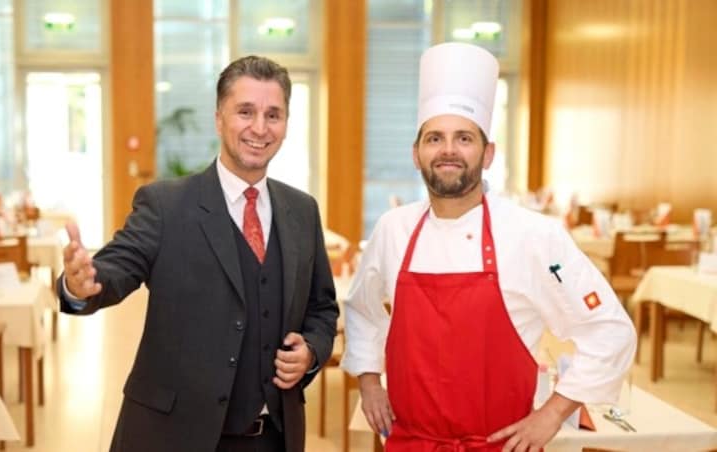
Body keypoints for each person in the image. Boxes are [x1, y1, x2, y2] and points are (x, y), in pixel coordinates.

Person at [340, 42, 636, 452]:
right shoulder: (393, 229)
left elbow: (610, 329)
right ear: (416, 154)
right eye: (434, 138)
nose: (447, 150)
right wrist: (369, 381)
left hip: (499, 445)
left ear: (488, 153)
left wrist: (551, 413)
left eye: (463, 138)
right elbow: (362, 309)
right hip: (412, 443)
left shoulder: (533, 234)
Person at [59, 55, 339, 452]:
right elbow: (119, 265)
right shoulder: (165, 205)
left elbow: (322, 309)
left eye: (273, 115)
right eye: (245, 112)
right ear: (219, 118)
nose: (259, 127)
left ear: (286, 124)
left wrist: (311, 351)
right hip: (172, 436)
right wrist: (82, 285)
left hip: (274, 437)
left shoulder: (302, 210)